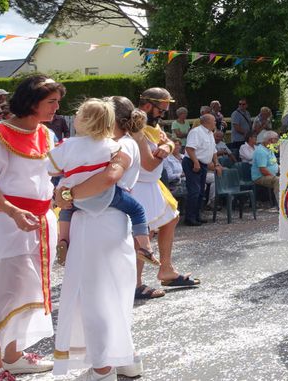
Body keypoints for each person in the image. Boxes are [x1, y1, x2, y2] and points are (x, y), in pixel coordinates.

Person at [0, 75, 66, 380]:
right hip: (6, 224)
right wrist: (14, 212)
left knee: (24, 292)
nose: (57, 107)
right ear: (31, 102)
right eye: (51, 101)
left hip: (41, 224)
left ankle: (12, 357)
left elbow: (45, 179)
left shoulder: (47, 134)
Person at [52, 99, 147, 381]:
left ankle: (103, 368)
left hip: (97, 221)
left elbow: (109, 177)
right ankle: (125, 360)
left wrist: (66, 194)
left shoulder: (118, 145)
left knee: (95, 296)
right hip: (112, 222)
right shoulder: (116, 143)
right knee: (113, 293)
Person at [51, 99, 157, 268]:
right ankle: (145, 247)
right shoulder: (110, 144)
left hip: (103, 216)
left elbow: (110, 176)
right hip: (105, 208)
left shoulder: (122, 144)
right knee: (137, 210)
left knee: (98, 276)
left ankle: (63, 239)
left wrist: (66, 194)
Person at [134, 89, 198, 299]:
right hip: (139, 185)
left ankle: (166, 270)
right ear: (147, 106)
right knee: (143, 234)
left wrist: (168, 145)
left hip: (151, 184)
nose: (163, 114)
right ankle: (135, 283)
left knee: (171, 219)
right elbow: (149, 163)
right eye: (161, 110)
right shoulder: (136, 128)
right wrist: (168, 147)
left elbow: (166, 141)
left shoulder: (152, 125)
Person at [184, 114, 222, 226]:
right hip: (192, 162)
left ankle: (197, 215)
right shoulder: (196, 132)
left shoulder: (210, 133)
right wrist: (195, 162)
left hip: (204, 164)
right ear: (207, 122)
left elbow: (213, 150)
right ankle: (189, 218)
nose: (216, 123)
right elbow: (189, 148)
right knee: (194, 191)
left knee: (201, 192)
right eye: (214, 121)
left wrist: (217, 163)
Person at [252, 131, 280, 204]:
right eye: (276, 139)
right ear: (270, 140)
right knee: (278, 180)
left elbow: (274, 164)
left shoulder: (269, 148)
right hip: (260, 177)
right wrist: (274, 175)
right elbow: (263, 170)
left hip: (270, 174)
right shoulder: (261, 151)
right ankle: (280, 205)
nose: (277, 141)